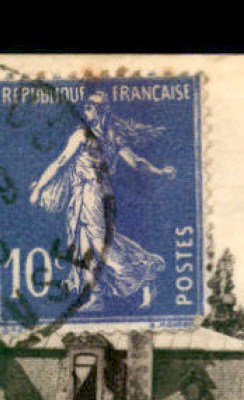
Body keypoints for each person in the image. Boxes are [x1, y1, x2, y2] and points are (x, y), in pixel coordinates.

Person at [29, 92, 174, 311]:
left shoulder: (105, 136)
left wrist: (160, 171)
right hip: (81, 194)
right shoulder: (82, 134)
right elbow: (60, 163)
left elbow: (136, 162)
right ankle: (95, 295)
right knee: (81, 243)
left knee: (99, 243)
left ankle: (144, 273)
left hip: (95, 194)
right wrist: (39, 187)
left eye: (91, 106)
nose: (86, 109)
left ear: (102, 110)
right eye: (85, 105)